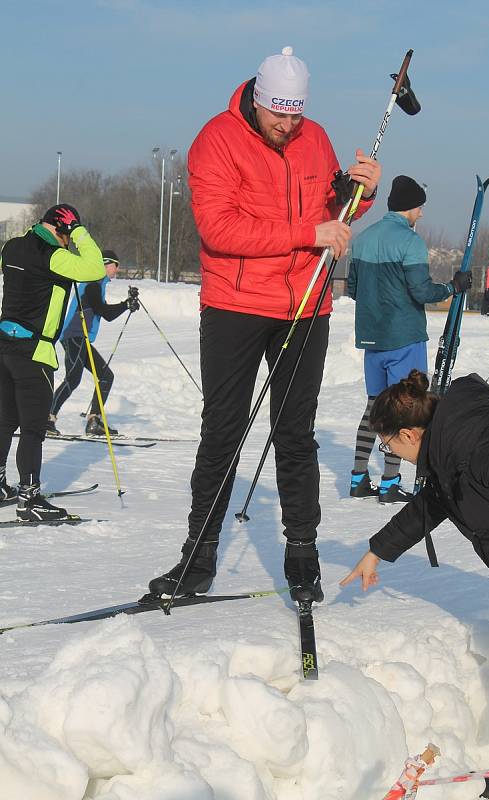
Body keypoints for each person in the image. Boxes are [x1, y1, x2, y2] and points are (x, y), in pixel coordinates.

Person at [144, 45, 381, 604]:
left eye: (296, 114)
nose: (288, 125)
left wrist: (362, 194)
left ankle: (303, 553)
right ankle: (196, 560)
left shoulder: (315, 139)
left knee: (295, 434)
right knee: (223, 432)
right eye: (279, 115)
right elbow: (220, 230)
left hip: (305, 306)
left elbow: (334, 215)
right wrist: (308, 232)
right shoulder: (216, 140)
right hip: (235, 304)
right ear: (256, 98)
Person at [340, 369, 489, 800]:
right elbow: (435, 501)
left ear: (409, 434)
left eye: (388, 445)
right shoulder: (451, 448)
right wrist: (378, 550)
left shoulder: (485, 447)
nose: (390, 452)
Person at [347, 176, 471, 503]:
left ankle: (358, 478)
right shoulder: (410, 241)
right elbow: (421, 291)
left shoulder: (364, 238)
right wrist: (452, 288)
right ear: (411, 208)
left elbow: (353, 289)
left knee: (375, 406)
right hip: (404, 337)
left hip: (372, 339)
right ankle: (389, 484)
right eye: (420, 208)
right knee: (405, 410)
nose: (422, 214)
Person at [0, 204, 105, 521]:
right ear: (62, 230)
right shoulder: (54, 256)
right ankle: (29, 500)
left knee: (4, 422)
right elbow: (95, 268)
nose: (68, 243)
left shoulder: (13, 247)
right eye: (67, 236)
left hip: (4, 346)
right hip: (35, 353)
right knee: (33, 430)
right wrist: (80, 231)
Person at [47, 250, 140, 437]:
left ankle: (93, 421)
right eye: (116, 265)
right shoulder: (93, 285)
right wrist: (125, 304)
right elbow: (104, 312)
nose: (117, 269)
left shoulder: (97, 284)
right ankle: (47, 419)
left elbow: (107, 314)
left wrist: (127, 304)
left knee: (106, 376)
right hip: (74, 336)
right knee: (73, 379)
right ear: (107, 264)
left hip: (81, 338)